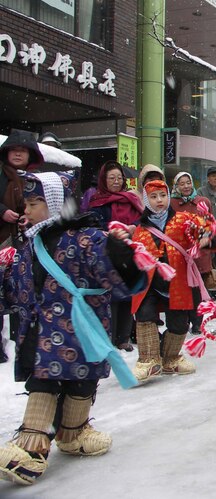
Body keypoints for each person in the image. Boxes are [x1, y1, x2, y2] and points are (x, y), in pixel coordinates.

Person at [0, 171, 145, 486]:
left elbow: (111, 273)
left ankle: (73, 432)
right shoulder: (31, 245)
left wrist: (121, 256)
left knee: (80, 384)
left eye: (35, 202)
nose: (27, 209)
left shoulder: (86, 239)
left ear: (56, 204)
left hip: (79, 329)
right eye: (26, 203)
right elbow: (21, 289)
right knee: (44, 383)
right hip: (43, 332)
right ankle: (32, 446)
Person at [131, 179, 216, 382]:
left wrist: (207, 237)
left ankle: (170, 357)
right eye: (154, 197)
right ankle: (148, 361)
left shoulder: (183, 220)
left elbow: (209, 232)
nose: (159, 201)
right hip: (150, 284)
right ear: (146, 201)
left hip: (178, 281)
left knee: (180, 323)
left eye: (163, 196)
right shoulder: (140, 229)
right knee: (145, 315)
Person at [87, 161, 145, 351]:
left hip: (130, 251)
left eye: (119, 178)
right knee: (110, 295)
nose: (116, 181)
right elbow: (93, 225)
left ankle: (124, 337)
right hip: (108, 253)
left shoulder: (130, 198)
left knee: (129, 293)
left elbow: (142, 219)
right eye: (111, 178)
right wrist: (112, 230)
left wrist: (133, 227)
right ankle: (110, 337)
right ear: (104, 179)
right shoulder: (96, 201)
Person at [0, 131, 44, 363]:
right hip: (1, 241)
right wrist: (1, 212)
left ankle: (22, 340)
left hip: (26, 241)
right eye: (13, 149)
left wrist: (28, 218)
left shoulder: (35, 179)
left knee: (23, 291)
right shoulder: (1, 174)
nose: (18, 153)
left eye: (23, 149)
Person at [170, 171, 216, 334]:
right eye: (181, 184)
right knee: (184, 289)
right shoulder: (171, 204)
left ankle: (197, 322)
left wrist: (205, 238)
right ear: (176, 186)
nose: (186, 186)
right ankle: (186, 319)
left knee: (198, 290)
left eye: (188, 182)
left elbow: (211, 224)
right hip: (179, 254)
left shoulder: (203, 202)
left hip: (199, 254)